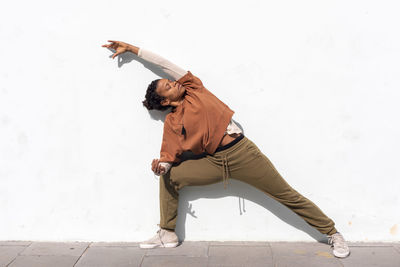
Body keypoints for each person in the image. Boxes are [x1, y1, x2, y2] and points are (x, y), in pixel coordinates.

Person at [101, 40, 351, 258]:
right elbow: (169, 156)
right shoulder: (172, 122)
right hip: (213, 162)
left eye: (170, 81)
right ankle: (167, 233)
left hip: (244, 155)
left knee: (286, 194)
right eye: (168, 86)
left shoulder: (194, 90)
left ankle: (332, 233)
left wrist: (134, 49)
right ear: (165, 101)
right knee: (170, 176)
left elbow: (166, 64)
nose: (173, 83)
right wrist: (161, 167)